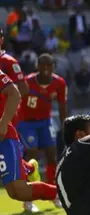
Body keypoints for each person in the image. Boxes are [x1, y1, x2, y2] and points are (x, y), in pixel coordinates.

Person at [0, 70, 58, 210]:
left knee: (18, 192)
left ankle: (62, 194)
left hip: (3, 136)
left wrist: (2, 124)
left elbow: (15, 93)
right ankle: (29, 168)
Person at [18, 54, 67, 186]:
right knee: (33, 154)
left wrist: (64, 126)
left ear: (54, 67)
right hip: (26, 122)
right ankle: (29, 192)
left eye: (49, 65)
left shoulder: (59, 83)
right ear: (37, 67)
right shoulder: (27, 82)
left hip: (46, 121)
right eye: (42, 65)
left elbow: (62, 106)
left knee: (51, 153)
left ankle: (52, 189)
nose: (46, 68)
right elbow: (15, 100)